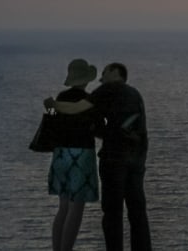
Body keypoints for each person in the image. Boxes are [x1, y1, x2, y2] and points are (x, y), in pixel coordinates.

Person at [46, 62, 152, 251]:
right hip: (123, 157)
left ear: (114, 71)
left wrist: (52, 105)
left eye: (103, 73)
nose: (100, 79)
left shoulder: (77, 96)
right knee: (136, 211)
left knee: (103, 211)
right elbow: (94, 122)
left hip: (66, 155)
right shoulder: (135, 94)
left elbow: (60, 116)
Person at [48, 58, 100, 251]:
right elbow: (97, 126)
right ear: (86, 79)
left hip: (61, 154)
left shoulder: (60, 98)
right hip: (82, 154)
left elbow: (52, 121)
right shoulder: (89, 101)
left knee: (63, 207)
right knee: (76, 208)